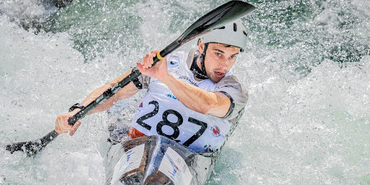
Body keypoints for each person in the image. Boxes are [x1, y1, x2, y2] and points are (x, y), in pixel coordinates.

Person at [55, 19, 249, 154]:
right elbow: (114, 91)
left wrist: (165, 78)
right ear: (201, 46)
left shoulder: (234, 90)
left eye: (232, 57)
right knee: (118, 120)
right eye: (218, 54)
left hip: (188, 160)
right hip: (136, 145)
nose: (225, 64)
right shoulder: (170, 63)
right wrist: (78, 110)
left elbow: (208, 105)